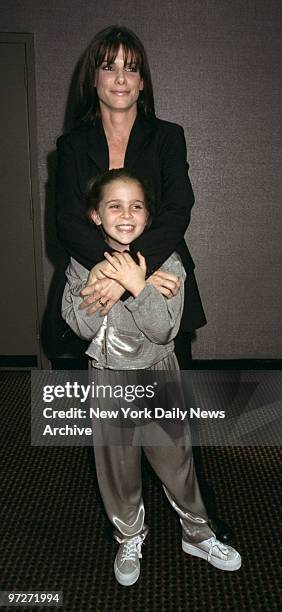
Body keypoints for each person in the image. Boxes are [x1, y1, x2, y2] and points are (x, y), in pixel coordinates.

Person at [56, 24, 231, 541]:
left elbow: (177, 210)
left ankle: (197, 523)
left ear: (143, 81)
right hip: (95, 283)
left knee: (170, 424)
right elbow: (67, 220)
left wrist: (138, 270)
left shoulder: (167, 136)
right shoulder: (72, 145)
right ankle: (128, 528)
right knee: (116, 433)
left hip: (162, 280)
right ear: (94, 77)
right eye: (109, 65)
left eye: (131, 67)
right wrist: (111, 271)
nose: (120, 77)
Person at [62, 168, 241, 586]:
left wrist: (135, 285)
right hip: (107, 374)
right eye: (114, 205)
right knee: (117, 467)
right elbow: (81, 327)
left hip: (158, 369)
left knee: (175, 460)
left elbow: (163, 329)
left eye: (136, 206)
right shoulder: (80, 263)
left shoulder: (169, 261)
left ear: (148, 215)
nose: (126, 214)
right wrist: (106, 278)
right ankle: (129, 534)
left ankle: (197, 533)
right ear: (95, 216)